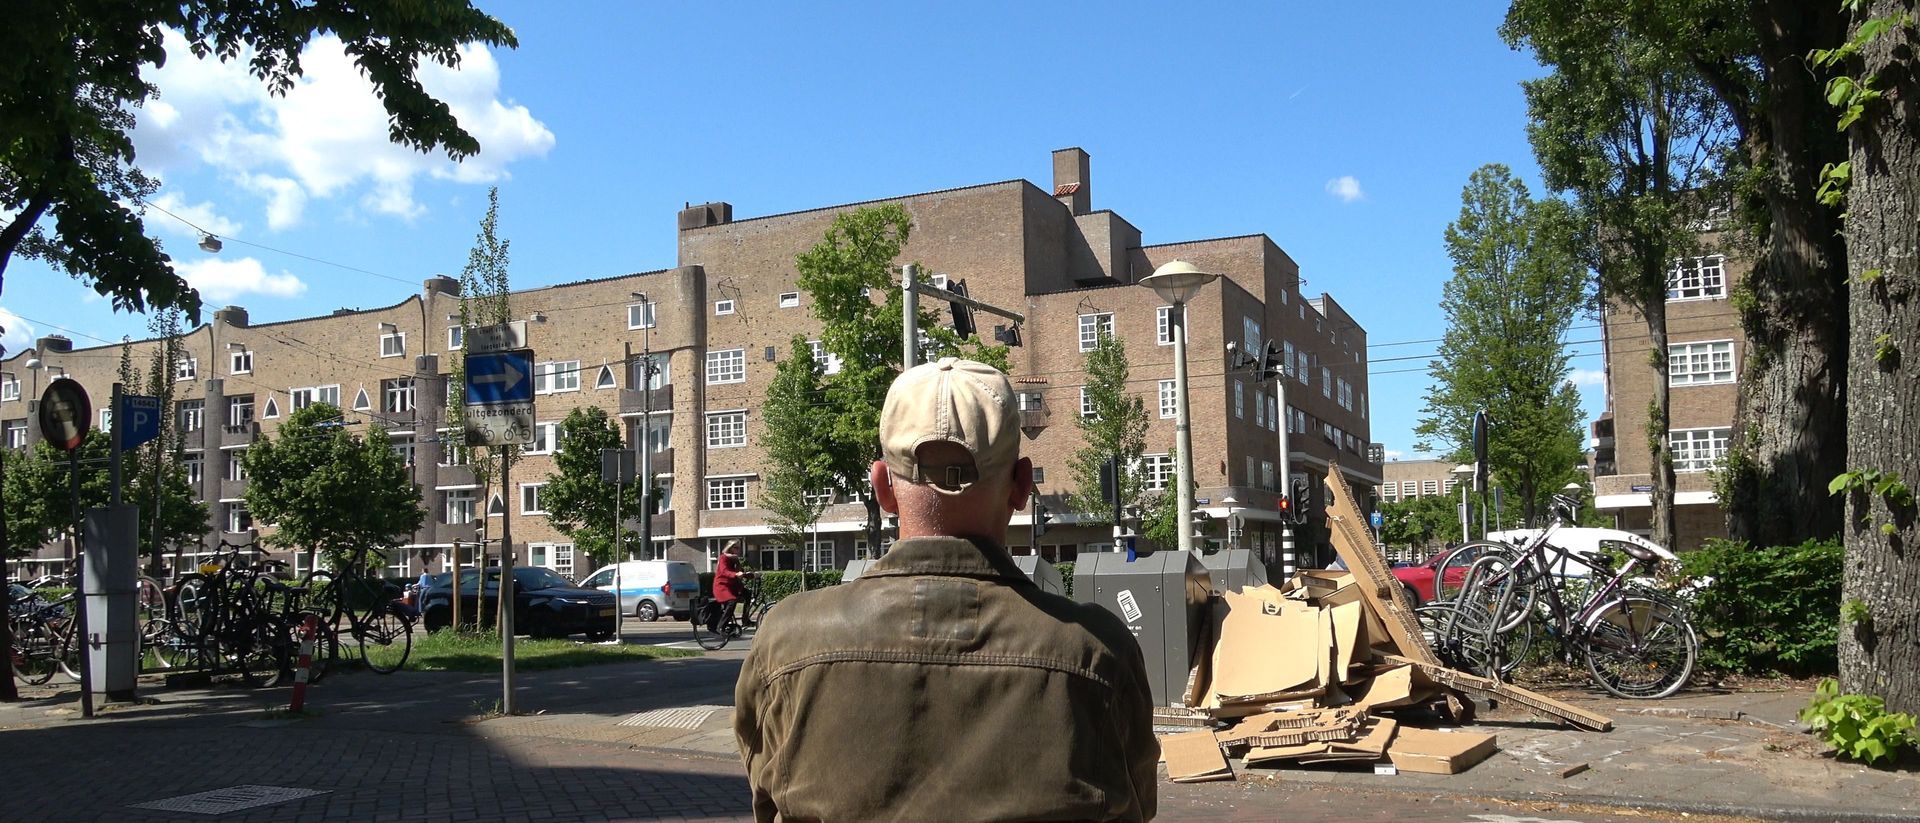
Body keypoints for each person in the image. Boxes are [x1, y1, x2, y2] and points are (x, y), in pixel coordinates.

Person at [734, 357, 1159, 822]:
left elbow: (764, 794)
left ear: (882, 487)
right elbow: (1138, 803)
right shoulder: (1098, 650)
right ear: (1021, 487)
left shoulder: (787, 640)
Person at [709, 541, 749, 632]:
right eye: (736, 548)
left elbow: (740, 572)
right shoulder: (723, 558)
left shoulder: (735, 559)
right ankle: (720, 626)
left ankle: (745, 619)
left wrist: (752, 575)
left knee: (748, 594)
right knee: (732, 602)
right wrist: (735, 574)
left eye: (739, 548)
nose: (738, 550)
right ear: (730, 547)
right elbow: (724, 571)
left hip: (732, 587)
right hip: (722, 587)